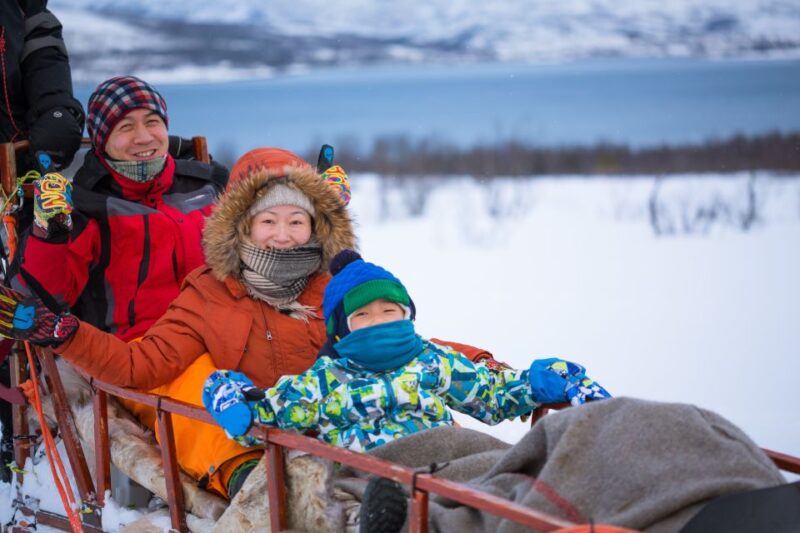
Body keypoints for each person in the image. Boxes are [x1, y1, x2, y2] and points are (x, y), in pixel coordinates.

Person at [202, 249, 610, 453]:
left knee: (503, 474)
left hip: (448, 457)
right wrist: (228, 393)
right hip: (372, 472)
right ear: (341, 332)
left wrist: (547, 379)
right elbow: (268, 416)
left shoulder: (431, 360)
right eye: (363, 314)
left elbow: (492, 397)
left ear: (408, 315)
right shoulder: (327, 380)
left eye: (390, 310)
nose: (379, 321)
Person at [16, 75, 227, 341]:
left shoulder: (205, 185)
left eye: (153, 122)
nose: (143, 137)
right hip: (137, 351)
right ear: (103, 141)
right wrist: (48, 233)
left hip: (224, 339)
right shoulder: (87, 207)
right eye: (125, 127)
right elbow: (46, 301)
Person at [1, 0, 85, 483]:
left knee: (23, 295)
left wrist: (56, 108)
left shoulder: (24, 5)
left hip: (17, 165)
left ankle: (18, 439)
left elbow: (45, 55)